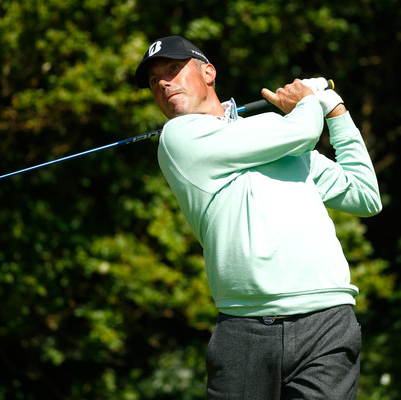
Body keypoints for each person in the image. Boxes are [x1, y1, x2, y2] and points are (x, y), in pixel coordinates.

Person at [134, 35, 382, 400]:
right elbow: (301, 129)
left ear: (208, 72)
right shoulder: (179, 138)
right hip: (244, 330)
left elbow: (364, 194)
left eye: (173, 69)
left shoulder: (275, 136)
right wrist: (311, 102)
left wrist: (336, 111)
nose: (164, 83)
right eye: (155, 80)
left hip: (327, 320)